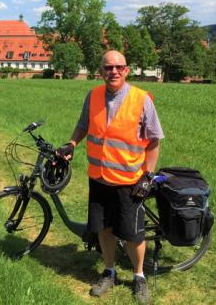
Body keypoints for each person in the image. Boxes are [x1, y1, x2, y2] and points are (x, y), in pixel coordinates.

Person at [57, 50, 164, 304]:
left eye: (118, 67)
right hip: (99, 178)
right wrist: (72, 143)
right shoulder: (93, 95)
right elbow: (84, 125)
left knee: (133, 234)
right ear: (101, 70)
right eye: (108, 68)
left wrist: (147, 176)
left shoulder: (141, 99)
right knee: (104, 228)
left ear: (126, 70)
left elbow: (154, 140)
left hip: (129, 181)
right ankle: (109, 271)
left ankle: (138, 277)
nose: (113, 71)